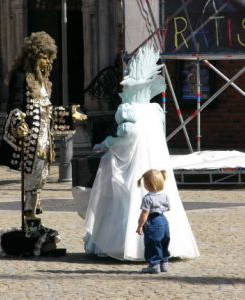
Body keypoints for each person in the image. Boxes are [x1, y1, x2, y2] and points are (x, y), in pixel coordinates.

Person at [80, 45, 199, 260]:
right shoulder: (154, 110)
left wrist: (105, 144)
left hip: (133, 163)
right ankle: (162, 247)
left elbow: (127, 136)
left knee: (127, 199)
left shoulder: (129, 110)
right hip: (154, 162)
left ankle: (128, 245)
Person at [0, 31, 86, 233]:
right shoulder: (21, 76)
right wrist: (19, 121)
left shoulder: (44, 82)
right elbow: (14, 105)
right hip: (31, 139)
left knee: (43, 175)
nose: (46, 62)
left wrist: (70, 114)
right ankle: (29, 217)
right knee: (33, 175)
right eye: (43, 56)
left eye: (48, 57)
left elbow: (48, 112)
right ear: (33, 56)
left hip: (46, 139)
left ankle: (34, 218)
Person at [136, 169, 170, 274]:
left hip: (153, 222)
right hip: (164, 221)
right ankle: (164, 263)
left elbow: (144, 214)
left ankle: (154, 265)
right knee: (164, 242)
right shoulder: (164, 195)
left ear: (147, 184)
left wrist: (140, 225)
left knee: (153, 243)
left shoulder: (148, 198)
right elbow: (168, 208)